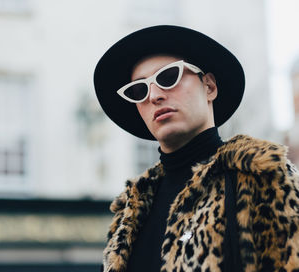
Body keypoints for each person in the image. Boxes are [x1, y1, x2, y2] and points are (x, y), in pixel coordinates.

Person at [93, 25, 299, 272]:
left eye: (168, 77)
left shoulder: (262, 178)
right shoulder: (129, 215)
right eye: (139, 90)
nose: (154, 95)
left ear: (209, 86)